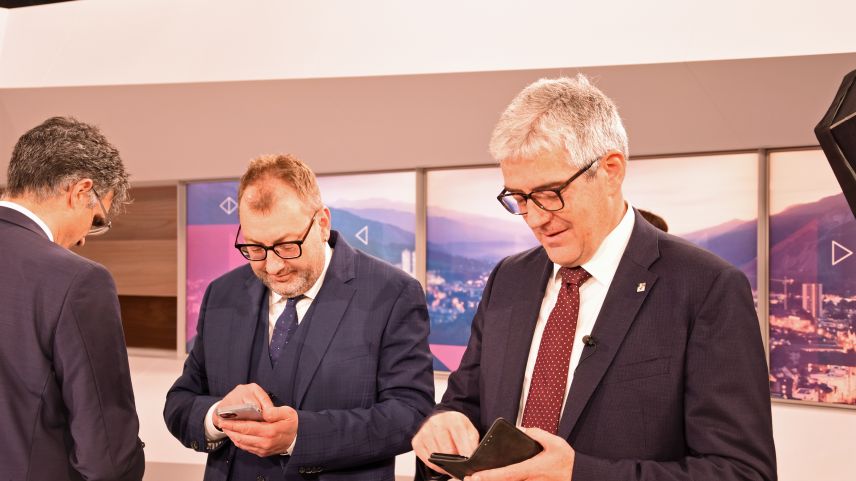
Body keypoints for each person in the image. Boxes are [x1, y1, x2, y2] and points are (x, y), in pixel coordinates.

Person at [412, 76, 776, 481]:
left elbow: (743, 472)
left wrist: (578, 474)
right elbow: (465, 402)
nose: (534, 218)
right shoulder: (509, 278)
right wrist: (441, 423)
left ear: (610, 171)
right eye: (518, 198)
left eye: (550, 193)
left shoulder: (706, 288)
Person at [164, 154, 434, 481]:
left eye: (287, 245)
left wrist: (300, 436)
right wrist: (218, 415)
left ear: (322, 223)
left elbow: (410, 414)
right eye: (255, 248)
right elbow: (180, 403)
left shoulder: (392, 293)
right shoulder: (222, 294)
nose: (274, 266)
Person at [0, 117, 145, 481]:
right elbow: (106, 454)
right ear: (81, 192)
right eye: (96, 219)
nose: (83, 239)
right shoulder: (79, 280)